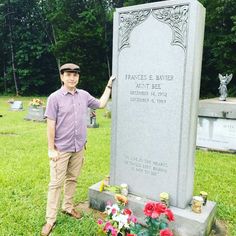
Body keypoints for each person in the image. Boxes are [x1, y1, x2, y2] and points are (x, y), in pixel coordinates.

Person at [41, 63, 115, 236]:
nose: (72, 78)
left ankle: (67, 207)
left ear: (78, 77)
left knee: (72, 179)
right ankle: (50, 220)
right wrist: (51, 149)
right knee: (55, 184)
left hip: (79, 147)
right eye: (68, 74)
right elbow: (50, 125)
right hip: (61, 149)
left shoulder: (84, 95)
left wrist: (109, 85)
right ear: (62, 77)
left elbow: (101, 104)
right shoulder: (54, 98)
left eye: (75, 75)